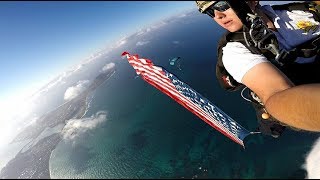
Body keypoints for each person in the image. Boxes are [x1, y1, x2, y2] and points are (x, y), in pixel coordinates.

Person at [195, 1, 320, 134]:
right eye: (209, 12)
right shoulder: (235, 51)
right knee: (271, 123)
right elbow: (276, 94)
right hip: (298, 92)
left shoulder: (302, 13)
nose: (217, 15)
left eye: (221, 5)